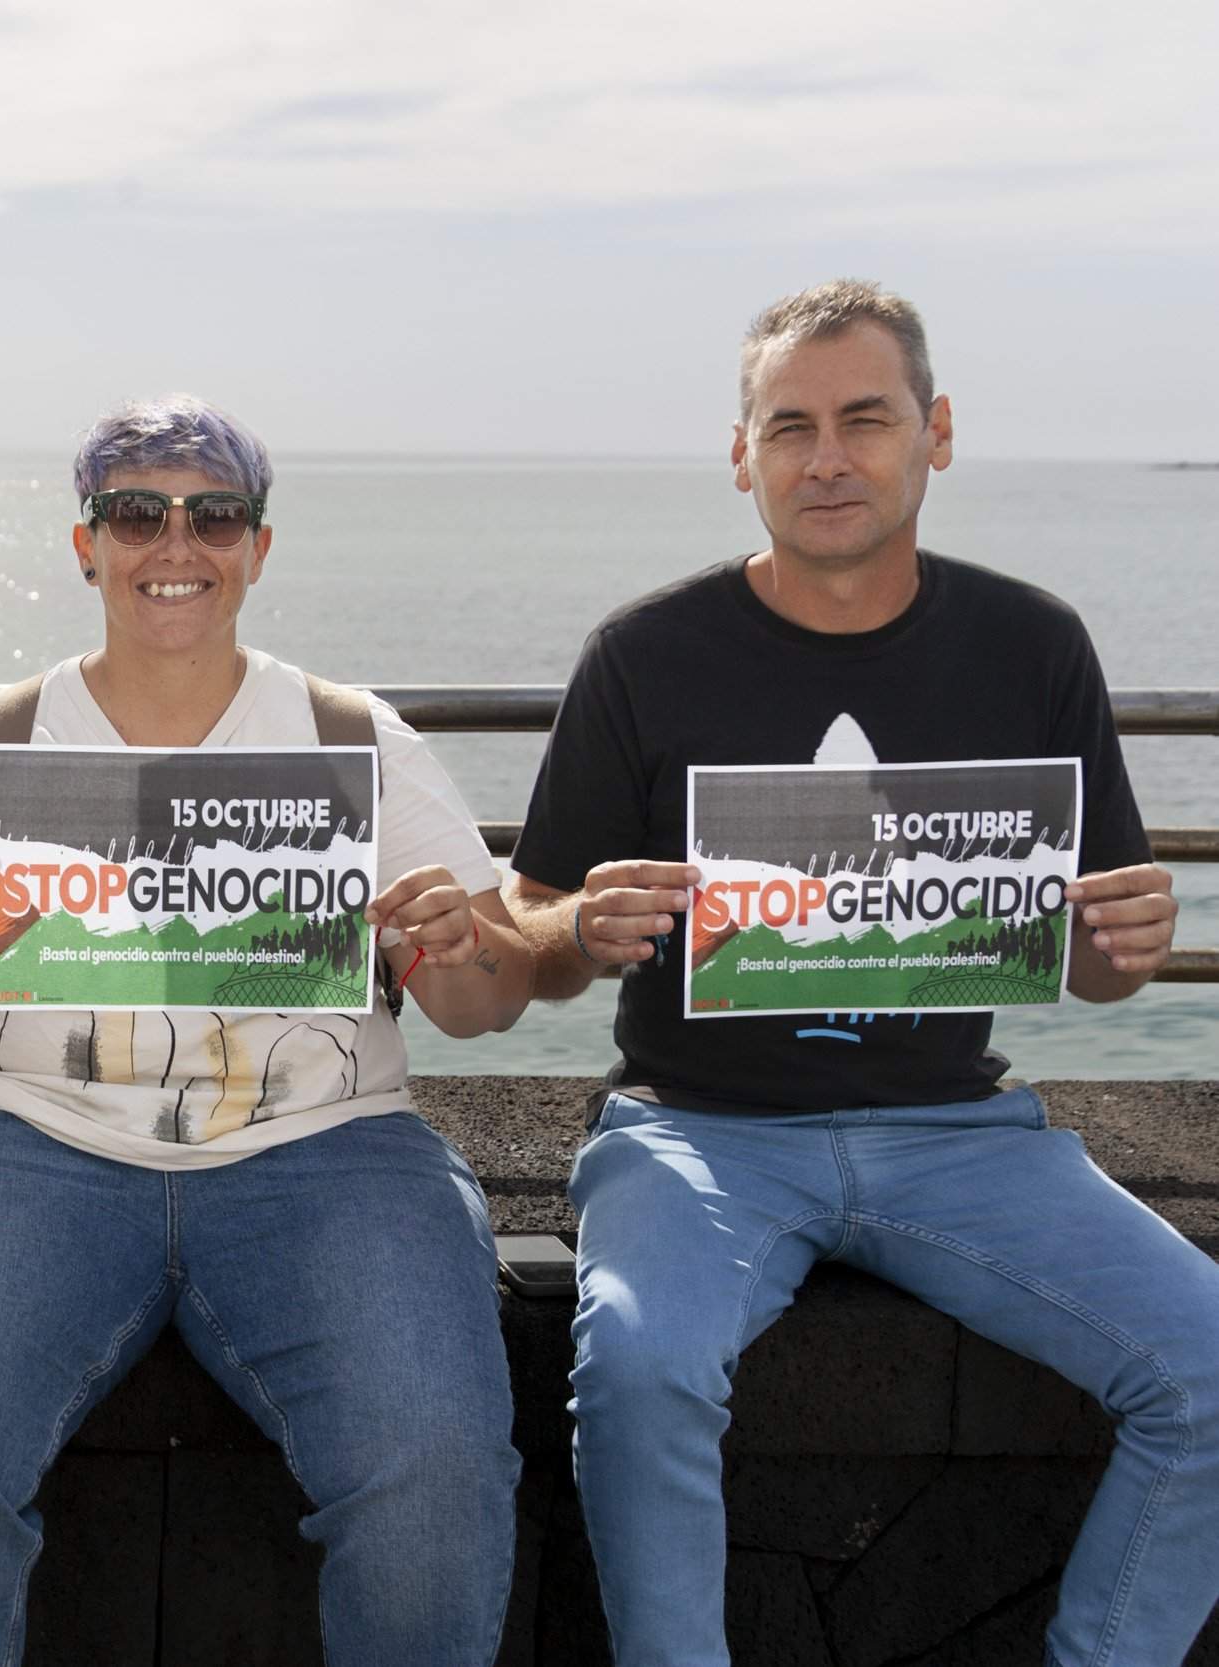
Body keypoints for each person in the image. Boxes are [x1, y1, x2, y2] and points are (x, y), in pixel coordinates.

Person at [503, 279, 1219, 1667]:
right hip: (694, 1132)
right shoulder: (642, 654)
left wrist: (1123, 946)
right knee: (641, 1367)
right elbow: (525, 925)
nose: (827, 456)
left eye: (864, 418)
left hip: (961, 1131)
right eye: (791, 426)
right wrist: (571, 929)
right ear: (742, 455)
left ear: (935, 433)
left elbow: (1092, 955)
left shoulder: (1034, 643)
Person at [0, 395, 531, 1665]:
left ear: (259, 545)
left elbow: (484, 1007)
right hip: (19, 1132)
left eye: (214, 513)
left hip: (327, 1141)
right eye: (135, 511)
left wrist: (462, 948)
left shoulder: (351, 733)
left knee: (439, 1457)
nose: (173, 541)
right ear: (85, 542)